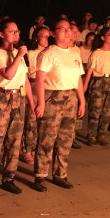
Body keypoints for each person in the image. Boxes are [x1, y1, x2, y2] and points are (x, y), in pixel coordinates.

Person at [0, 20, 34, 195]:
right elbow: (8, 75)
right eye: (12, 32)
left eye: (17, 31)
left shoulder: (19, 53)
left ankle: (9, 178)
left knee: (14, 141)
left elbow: (24, 79)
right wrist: (19, 56)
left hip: (18, 97)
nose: (16, 34)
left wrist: (30, 100)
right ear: (2, 34)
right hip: (1, 97)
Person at [33, 20, 85, 192]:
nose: (66, 32)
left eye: (68, 29)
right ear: (53, 33)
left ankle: (60, 174)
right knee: (47, 138)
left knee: (66, 139)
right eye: (62, 29)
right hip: (53, 97)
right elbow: (39, 80)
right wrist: (41, 103)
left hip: (70, 97)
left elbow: (78, 78)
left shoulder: (75, 52)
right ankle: (40, 175)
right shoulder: (48, 53)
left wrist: (82, 100)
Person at [83, 28, 110, 146]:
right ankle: (91, 135)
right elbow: (90, 71)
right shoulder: (96, 53)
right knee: (95, 110)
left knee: (107, 110)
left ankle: (101, 135)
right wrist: (85, 87)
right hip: (98, 81)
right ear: (103, 38)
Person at [21, 26, 49, 164]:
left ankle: (38, 150)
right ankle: (27, 150)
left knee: (43, 122)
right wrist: (25, 95)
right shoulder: (31, 54)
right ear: (36, 38)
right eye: (43, 36)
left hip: (46, 87)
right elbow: (24, 76)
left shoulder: (50, 53)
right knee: (30, 121)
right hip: (32, 86)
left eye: (48, 36)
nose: (46, 39)